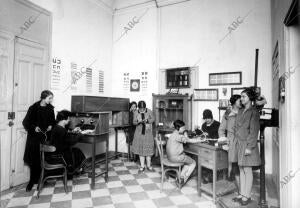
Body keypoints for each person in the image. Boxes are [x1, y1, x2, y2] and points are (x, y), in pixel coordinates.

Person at [23, 90, 55, 191]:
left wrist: (51, 125)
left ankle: (43, 180)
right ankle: (32, 181)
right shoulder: (33, 108)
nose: (51, 100)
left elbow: (53, 122)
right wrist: (34, 128)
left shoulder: (50, 109)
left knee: (43, 159)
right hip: (34, 138)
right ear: (43, 98)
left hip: (45, 137)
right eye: (49, 98)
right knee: (33, 160)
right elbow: (26, 122)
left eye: (51, 98)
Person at [235, 88, 261, 206]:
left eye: (244, 96)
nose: (241, 98)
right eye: (241, 96)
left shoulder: (254, 112)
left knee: (247, 169)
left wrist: (249, 147)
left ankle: (247, 196)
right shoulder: (241, 110)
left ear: (250, 98)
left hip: (247, 144)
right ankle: (242, 193)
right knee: (241, 168)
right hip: (240, 143)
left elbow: (254, 131)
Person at [49, 110, 85, 175]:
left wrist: (72, 131)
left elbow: (64, 136)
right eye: (68, 118)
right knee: (77, 151)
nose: (69, 120)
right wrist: (80, 134)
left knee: (76, 151)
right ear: (63, 120)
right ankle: (73, 171)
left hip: (55, 153)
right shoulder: (61, 130)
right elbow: (71, 142)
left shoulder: (56, 127)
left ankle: (75, 169)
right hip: (60, 155)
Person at [166, 120, 201, 185]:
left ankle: (181, 177)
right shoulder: (178, 136)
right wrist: (199, 140)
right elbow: (189, 140)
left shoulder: (173, 134)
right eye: (183, 128)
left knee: (187, 161)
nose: (184, 129)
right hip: (176, 158)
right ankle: (182, 180)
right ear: (180, 128)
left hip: (169, 157)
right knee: (193, 162)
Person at [218, 95, 241, 190]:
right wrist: (224, 143)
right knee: (233, 164)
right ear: (235, 102)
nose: (242, 101)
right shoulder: (227, 113)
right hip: (231, 142)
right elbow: (221, 129)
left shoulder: (244, 111)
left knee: (243, 165)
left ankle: (242, 188)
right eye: (240, 100)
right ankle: (234, 186)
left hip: (242, 141)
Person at [131, 101, 155, 172]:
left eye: (143, 108)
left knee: (148, 149)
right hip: (139, 134)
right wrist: (138, 122)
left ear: (145, 107)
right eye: (140, 108)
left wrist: (147, 120)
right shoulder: (136, 112)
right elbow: (134, 122)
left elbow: (153, 119)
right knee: (140, 150)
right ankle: (142, 166)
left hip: (148, 134)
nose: (141, 110)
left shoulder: (149, 111)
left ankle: (149, 166)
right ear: (138, 108)